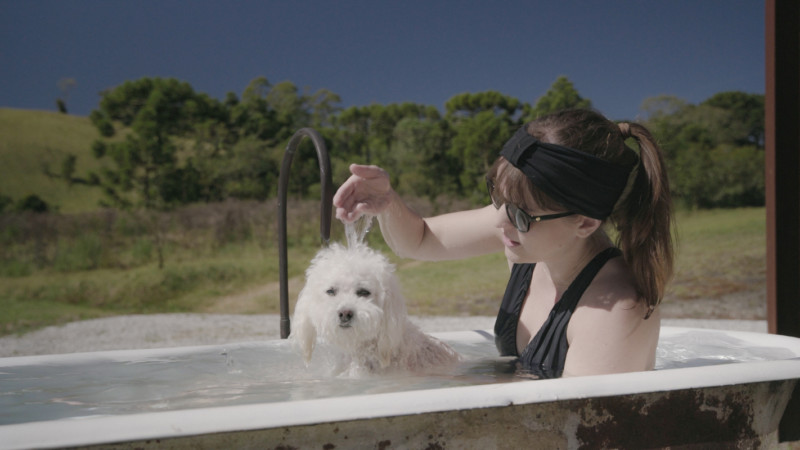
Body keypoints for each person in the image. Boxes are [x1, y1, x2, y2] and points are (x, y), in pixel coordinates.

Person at [333, 109, 674, 378]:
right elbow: (420, 240)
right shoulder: (532, 237)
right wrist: (387, 203)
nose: (498, 223)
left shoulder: (614, 315)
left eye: (522, 215)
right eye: (498, 199)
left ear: (585, 222)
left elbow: (575, 434)